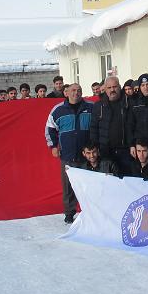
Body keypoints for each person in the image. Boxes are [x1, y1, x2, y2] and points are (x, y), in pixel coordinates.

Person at [45, 83, 92, 223]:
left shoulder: (91, 107)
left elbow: (98, 126)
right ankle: (69, 213)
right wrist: (53, 146)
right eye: (73, 90)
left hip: (88, 156)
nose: (76, 93)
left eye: (79, 90)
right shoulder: (58, 110)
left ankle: (89, 211)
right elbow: (49, 128)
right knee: (68, 186)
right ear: (67, 93)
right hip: (67, 155)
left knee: (88, 185)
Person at [89, 76, 131, 172]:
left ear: (120, 87)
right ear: (105, 89)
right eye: (109, 87)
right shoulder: (98, 106)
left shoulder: (128, 103)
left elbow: (133, 125)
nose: (112, 90)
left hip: (125, 150)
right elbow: (94, 128)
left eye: (115, 87)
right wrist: (95, 147)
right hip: (105, 151)